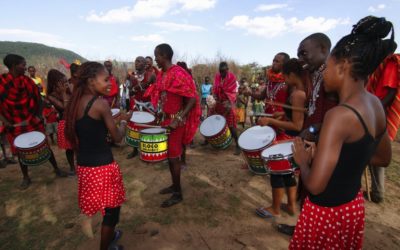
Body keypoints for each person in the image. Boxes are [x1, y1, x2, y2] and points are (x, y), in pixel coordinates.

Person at [289, 16, 394, 249]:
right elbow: (382, 158)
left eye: (329, 66)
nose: (324, 72)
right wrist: (338, 157)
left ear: (343, 66)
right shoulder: (375, 104)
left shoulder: (338, 116)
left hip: (326, 214)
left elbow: (315, 186)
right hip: (351, 207)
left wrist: (304, 162)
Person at [276, 32, 337, 237]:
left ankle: (310, 232)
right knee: (306, 189)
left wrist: (310, 131)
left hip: (323, 145)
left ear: (323, 49)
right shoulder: (315, 74)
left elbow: (333, 116)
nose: (301, 59)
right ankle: (302, 228)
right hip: (311, 143)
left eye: (304, 53)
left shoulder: (333, 76)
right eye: (298, 55)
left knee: (315, 190)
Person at [64, 61, 128, 250]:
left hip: (84, 166)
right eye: (106, 79)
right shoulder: (100, 104)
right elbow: (117, 138)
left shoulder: (75, 102)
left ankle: (111, 237)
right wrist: (124, 122)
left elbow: (90, 128)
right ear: (91, 81)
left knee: (102, 207)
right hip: (103, 168)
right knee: (111, 212)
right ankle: (106, 246)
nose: (110, 83)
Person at [145, 43, 200, 207]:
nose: (155, 59)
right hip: (166, 120)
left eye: (157, 56)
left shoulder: (179, 73)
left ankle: (177, 194)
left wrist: (178, 118)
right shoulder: (162, 74)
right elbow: (165, 96)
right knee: (170, 157)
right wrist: (161, 112)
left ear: (164, 56)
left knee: (174, 158)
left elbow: (192, 98)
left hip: (176, 122)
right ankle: (174, 185)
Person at [0, 54, 67, 189]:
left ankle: (56, 169)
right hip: (15, 123)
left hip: (32, 121)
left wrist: (37, 116)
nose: (25, 68)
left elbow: (39, 100)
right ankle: (26, 177)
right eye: (23, 65)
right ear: (14, 66)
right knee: (21, 150)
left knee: (44, 146)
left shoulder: (28, 82)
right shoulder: (2, 82)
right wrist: (5, 120)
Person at [256, 59, 309, 219]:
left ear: (292, 75)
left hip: (291, 139)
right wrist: (284, 114)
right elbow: (299, 115)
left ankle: (275, 208)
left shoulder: (298, 94)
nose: (284, 80)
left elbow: (297, 125)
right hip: (294, 140)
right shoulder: (301, 90)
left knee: (277, 171)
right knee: (288, 173)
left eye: (285, 76)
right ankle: (292, 206)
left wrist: (270, 121)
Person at [366, 53, 399, 203]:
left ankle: (378, 193)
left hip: (379, 114)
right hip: (376, 111)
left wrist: (374, 111)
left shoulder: (391, 63)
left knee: (375, 152)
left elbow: (391, 91)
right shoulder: (381, 65)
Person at [205, 61, 241, 155]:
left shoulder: (232, 78)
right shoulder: (217, 77)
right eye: (220, 71)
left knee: (231, 125)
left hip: (228, 103)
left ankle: (238, 145)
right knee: (211, 120)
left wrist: (229, 103)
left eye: (224, 71)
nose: (222, 73)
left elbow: (234, 93)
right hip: (219, 104)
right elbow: (216, 90)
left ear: (227, 70)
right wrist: (214, 97)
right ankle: (207, 140)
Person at [126, 56, 157, 159]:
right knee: (135, 126)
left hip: (148, 106)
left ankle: (146, 150)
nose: (136, 63)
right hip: (137, 104)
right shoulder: (132, 76)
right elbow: (130, 92)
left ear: (145, 64)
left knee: (147, 126)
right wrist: (134, 89)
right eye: (135, 61)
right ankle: (135, 149)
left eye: (139, 61)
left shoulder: (151, 75)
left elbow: (157, 90)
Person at [46, 69, 76, 175]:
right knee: (70, 148)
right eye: (63, 83)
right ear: (55, 84)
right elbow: (65, 107)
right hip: (65, 123)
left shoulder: (70, 90)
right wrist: (63, 93)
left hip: (77, 120)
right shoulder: (51, 96)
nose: (66, 84)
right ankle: (72, 168)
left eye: (66, 82)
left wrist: (70, 90)